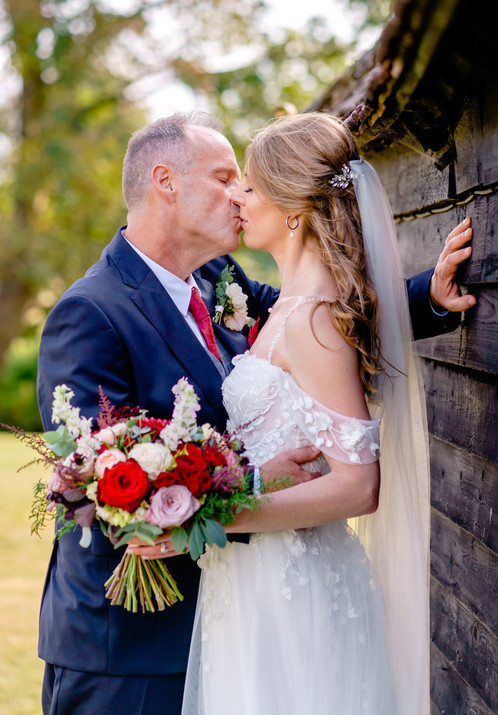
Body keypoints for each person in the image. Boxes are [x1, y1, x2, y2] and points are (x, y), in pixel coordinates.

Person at [37, 111, 473, 715]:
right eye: (224, 177)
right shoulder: (91, 312)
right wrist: (252, 483)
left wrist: (426, 298)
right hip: (128, 647)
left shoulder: (220, 278)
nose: (241, 192)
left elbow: (322, 317)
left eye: (247, 180)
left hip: (241, 615)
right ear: (166, 182)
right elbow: (92, 484)